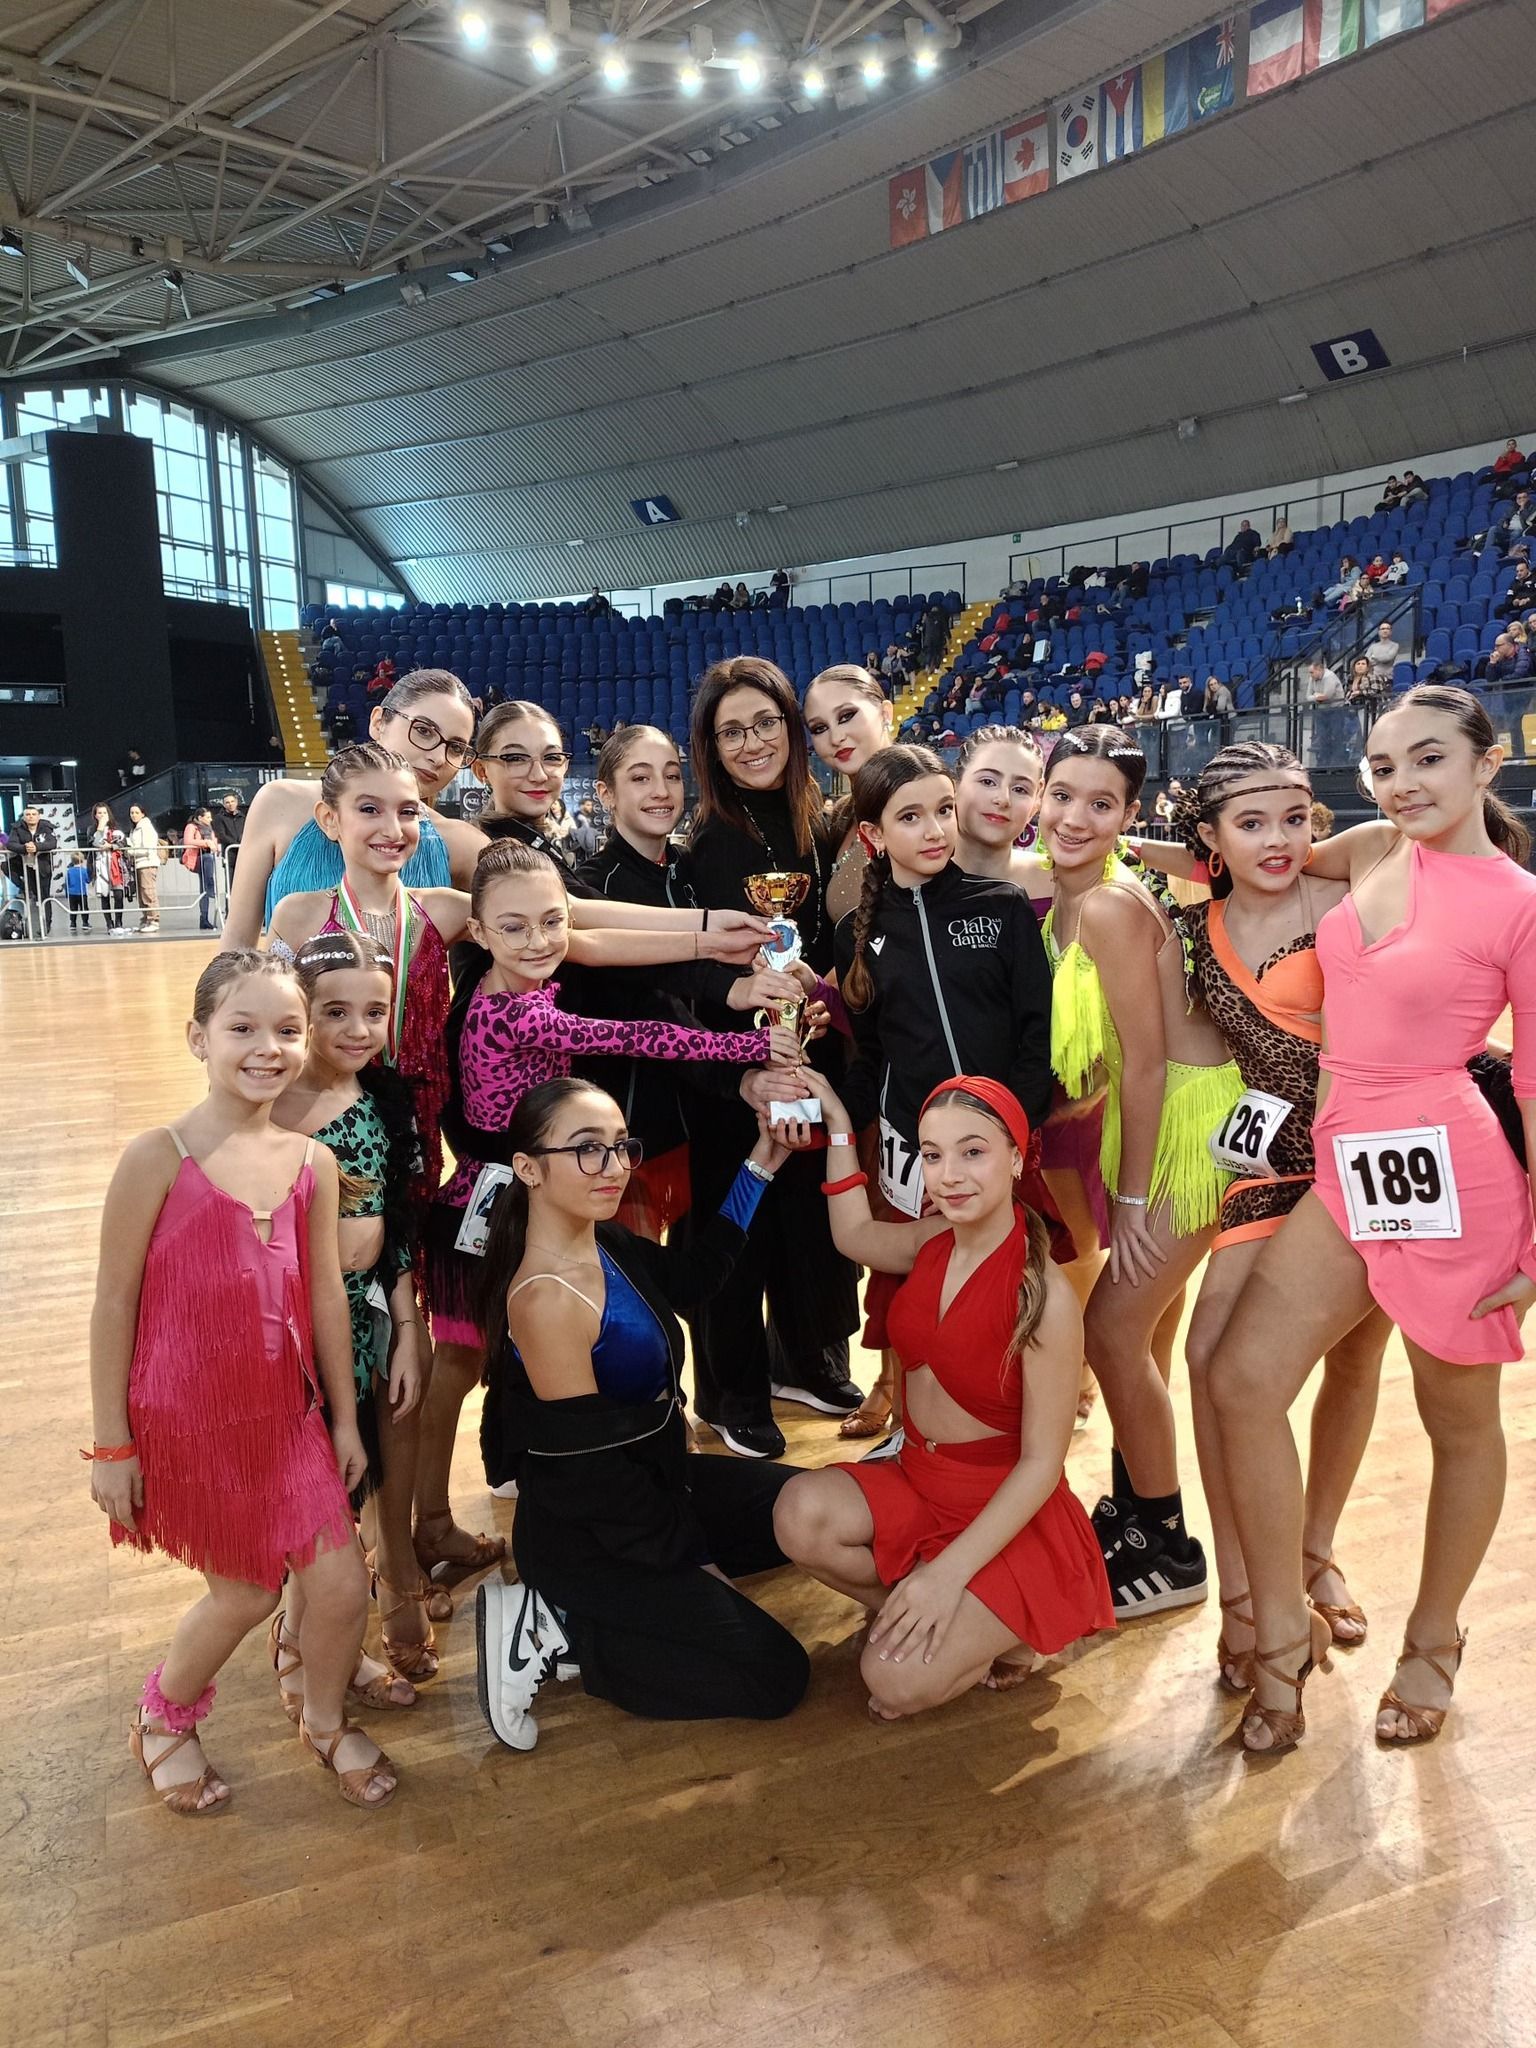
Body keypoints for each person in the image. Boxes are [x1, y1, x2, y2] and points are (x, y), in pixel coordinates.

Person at [1211, 686, 1536, 1753]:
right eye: (1385, 764)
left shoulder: (1519, 901)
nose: (1401, 783)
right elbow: (1246, 857)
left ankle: (1434, 1640)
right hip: (1353, 1161)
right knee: (1242, 1380)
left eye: (1428, 760)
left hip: (1462, 1176)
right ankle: (1277, 1632)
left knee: (1458, 1419)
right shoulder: (1364, 851)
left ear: (1488, 765)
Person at [86, 950, 397, 1814]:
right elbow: (113, 1303)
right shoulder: (158, 1156)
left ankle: (326, 1719)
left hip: (287, 1415)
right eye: (243, 1028)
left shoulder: (312, 1163)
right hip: (185, 1420)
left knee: (338, 1583)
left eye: (289, 1030)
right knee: (250, 1590)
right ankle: (166, 1714)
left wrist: (341, 1421)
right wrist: (112, 1443)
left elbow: (328, 1299)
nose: (270, 1047)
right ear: (198, 1037)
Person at [473, 1078, 808, 1745]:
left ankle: (626, 1609)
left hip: (657, 1484)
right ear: (529, 1167)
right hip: (593, 1533)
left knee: (801, 1511)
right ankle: (558, 1631)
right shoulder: (543, 1296)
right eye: (588, 1150)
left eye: (620, 1146)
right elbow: (595, 1479)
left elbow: (697, 1278)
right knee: (777, 1676)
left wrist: (761, 1163)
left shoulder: (603, 1240)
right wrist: (692, 1560)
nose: (617, 1167)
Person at [773, 1076, 1114, 1718]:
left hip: (1005, 1513)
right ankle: (929, 1611)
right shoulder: (932, 1239)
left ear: (1017, 1157)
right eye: (932, 1155)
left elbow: (1043, 1466)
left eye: (972, 1152)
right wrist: (841, 1123)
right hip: (918, 1476)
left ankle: (997, 1627)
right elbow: (851, 1235)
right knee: (798, 1514)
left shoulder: (1042, 1296)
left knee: (892, 1683)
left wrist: (948, 1572)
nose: (948, 1176)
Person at [1169, 747, 1389, 1696]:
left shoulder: (1349, 894)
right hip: (1264, 1165)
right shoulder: (1188, 930)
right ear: (1209, 838)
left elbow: (1381, 833)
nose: (1280, 841)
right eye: (1250, 825)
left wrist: (1301, 843)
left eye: (1296, 819)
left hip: (1365, 1156)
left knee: (1356, 1356)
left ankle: (1316, 1550)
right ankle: (1248, 1599)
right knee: (1214, 1364)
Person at [1038, 727, 1242, 1614]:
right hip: (1141, 1119)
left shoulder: (1115, 907)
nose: (1075, 817)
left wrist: (1125, 1201)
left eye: (1101, 803)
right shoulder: (1060, 896)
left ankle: (1168, 1547)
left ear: (1128, 816)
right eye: (1062, 795)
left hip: (1190, 1126)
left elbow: (1151, 1063)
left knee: (1112, 1332)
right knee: (1139, 1336)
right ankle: (1130, 1507)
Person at [685, 657, 863, 1458]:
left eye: (766, 724)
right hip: (732, 1070)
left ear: (792, 731)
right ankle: (731, 1392)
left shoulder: (819, 823)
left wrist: (820, 1004)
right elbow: (687, 973)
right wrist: (743, 1051)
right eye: (732, 731)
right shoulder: (703, 845)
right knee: (740, 1224)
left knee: (808, 1222)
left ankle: (808, 1361)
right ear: (711, 747)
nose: (752, 742)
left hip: (810, 1049)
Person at [576, 724, 805, 1242]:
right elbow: (647, 999)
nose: (661, 790)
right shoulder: (595, 886)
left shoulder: (691, 870)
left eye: (672, 775)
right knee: (640, 1290)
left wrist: (783, 986)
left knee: (712, 1272)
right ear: (605, 792)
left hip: (710, 1118)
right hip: (639, 1126)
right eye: (640, 777)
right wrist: (732, 1006)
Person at [223, 669, 482, 949]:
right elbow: (237, 941)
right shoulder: (281, 803)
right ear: (379, 722)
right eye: (423, 730)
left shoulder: (460, 842)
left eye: (455, 748)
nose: (436, 757)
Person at [7, 803, 56, 939]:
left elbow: (52, 843)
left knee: (44, 896)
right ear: (24, 817)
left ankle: (46, 925)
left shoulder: (46, 827)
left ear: (38, 816)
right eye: (28, 815)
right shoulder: (17, 828)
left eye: (33, 814)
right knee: (6, 867)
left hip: (42, 867)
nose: (31, 817)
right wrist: (25, 848)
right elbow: (11, 844)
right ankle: (24, 889)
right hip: (24, 867)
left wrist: (36, 846)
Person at [90, 802, 129, 934]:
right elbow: (94, 843)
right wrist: (100, 829)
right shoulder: (92, 829)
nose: (102, 815)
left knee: (118, 894)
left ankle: (119, 921)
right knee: (104, 895)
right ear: (95, 815)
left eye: (104, 812)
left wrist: (111, 846)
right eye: (99, 813)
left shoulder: (117, 827)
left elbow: (123, 842)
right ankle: (109, 923)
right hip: (100, 865)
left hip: (116, 865)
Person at [126, 803, 162, 935]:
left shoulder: (146, 827)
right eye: (131, 813)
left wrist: (129, 851)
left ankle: (153, 920)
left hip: (147, 863)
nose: (134, 815)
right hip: (138, 864)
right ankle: (146, 919)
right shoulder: (135, 829)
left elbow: (147, 848)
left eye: (136, 812)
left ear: (143, 813)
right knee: (141, 895)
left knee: (148, 892)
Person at [1304, 659, 1347, 769]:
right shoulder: (1312, 678)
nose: (1310, 675)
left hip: (1336, 710)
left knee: (1337, 736)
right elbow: (1308, 696)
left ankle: (1337, 763)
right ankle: (1323, 764)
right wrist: (1317, 697)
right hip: (1321, 711)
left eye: (1312, 672)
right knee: (1323, 737)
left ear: (1319, 670)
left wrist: (1317, 696)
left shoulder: (1329, 677)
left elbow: (1327, 696)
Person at [182, 807, 220, 932]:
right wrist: (206, 843)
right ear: (200, 818)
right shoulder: (192, 827)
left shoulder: (210, 829)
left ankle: (204, 919)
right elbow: (188, 841)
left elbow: (214, 842)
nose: (211, 819)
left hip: (207, 859)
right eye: (208, 817)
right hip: (196, 858)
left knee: (203, 888)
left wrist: (214, 846)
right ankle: (210, 886)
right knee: (208, 859)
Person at [1366, 621, 1401, 688]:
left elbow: (1387, 658)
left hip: (1388, 679)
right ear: (1379, 632)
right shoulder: (1373, 646)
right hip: (1373, 678)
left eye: (1387, 629)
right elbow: (1366, 661)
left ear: (1391, 632)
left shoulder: (1395, 645)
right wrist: (1379, 659)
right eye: (1383, 629)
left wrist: (1373, 657)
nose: (1385, 631)